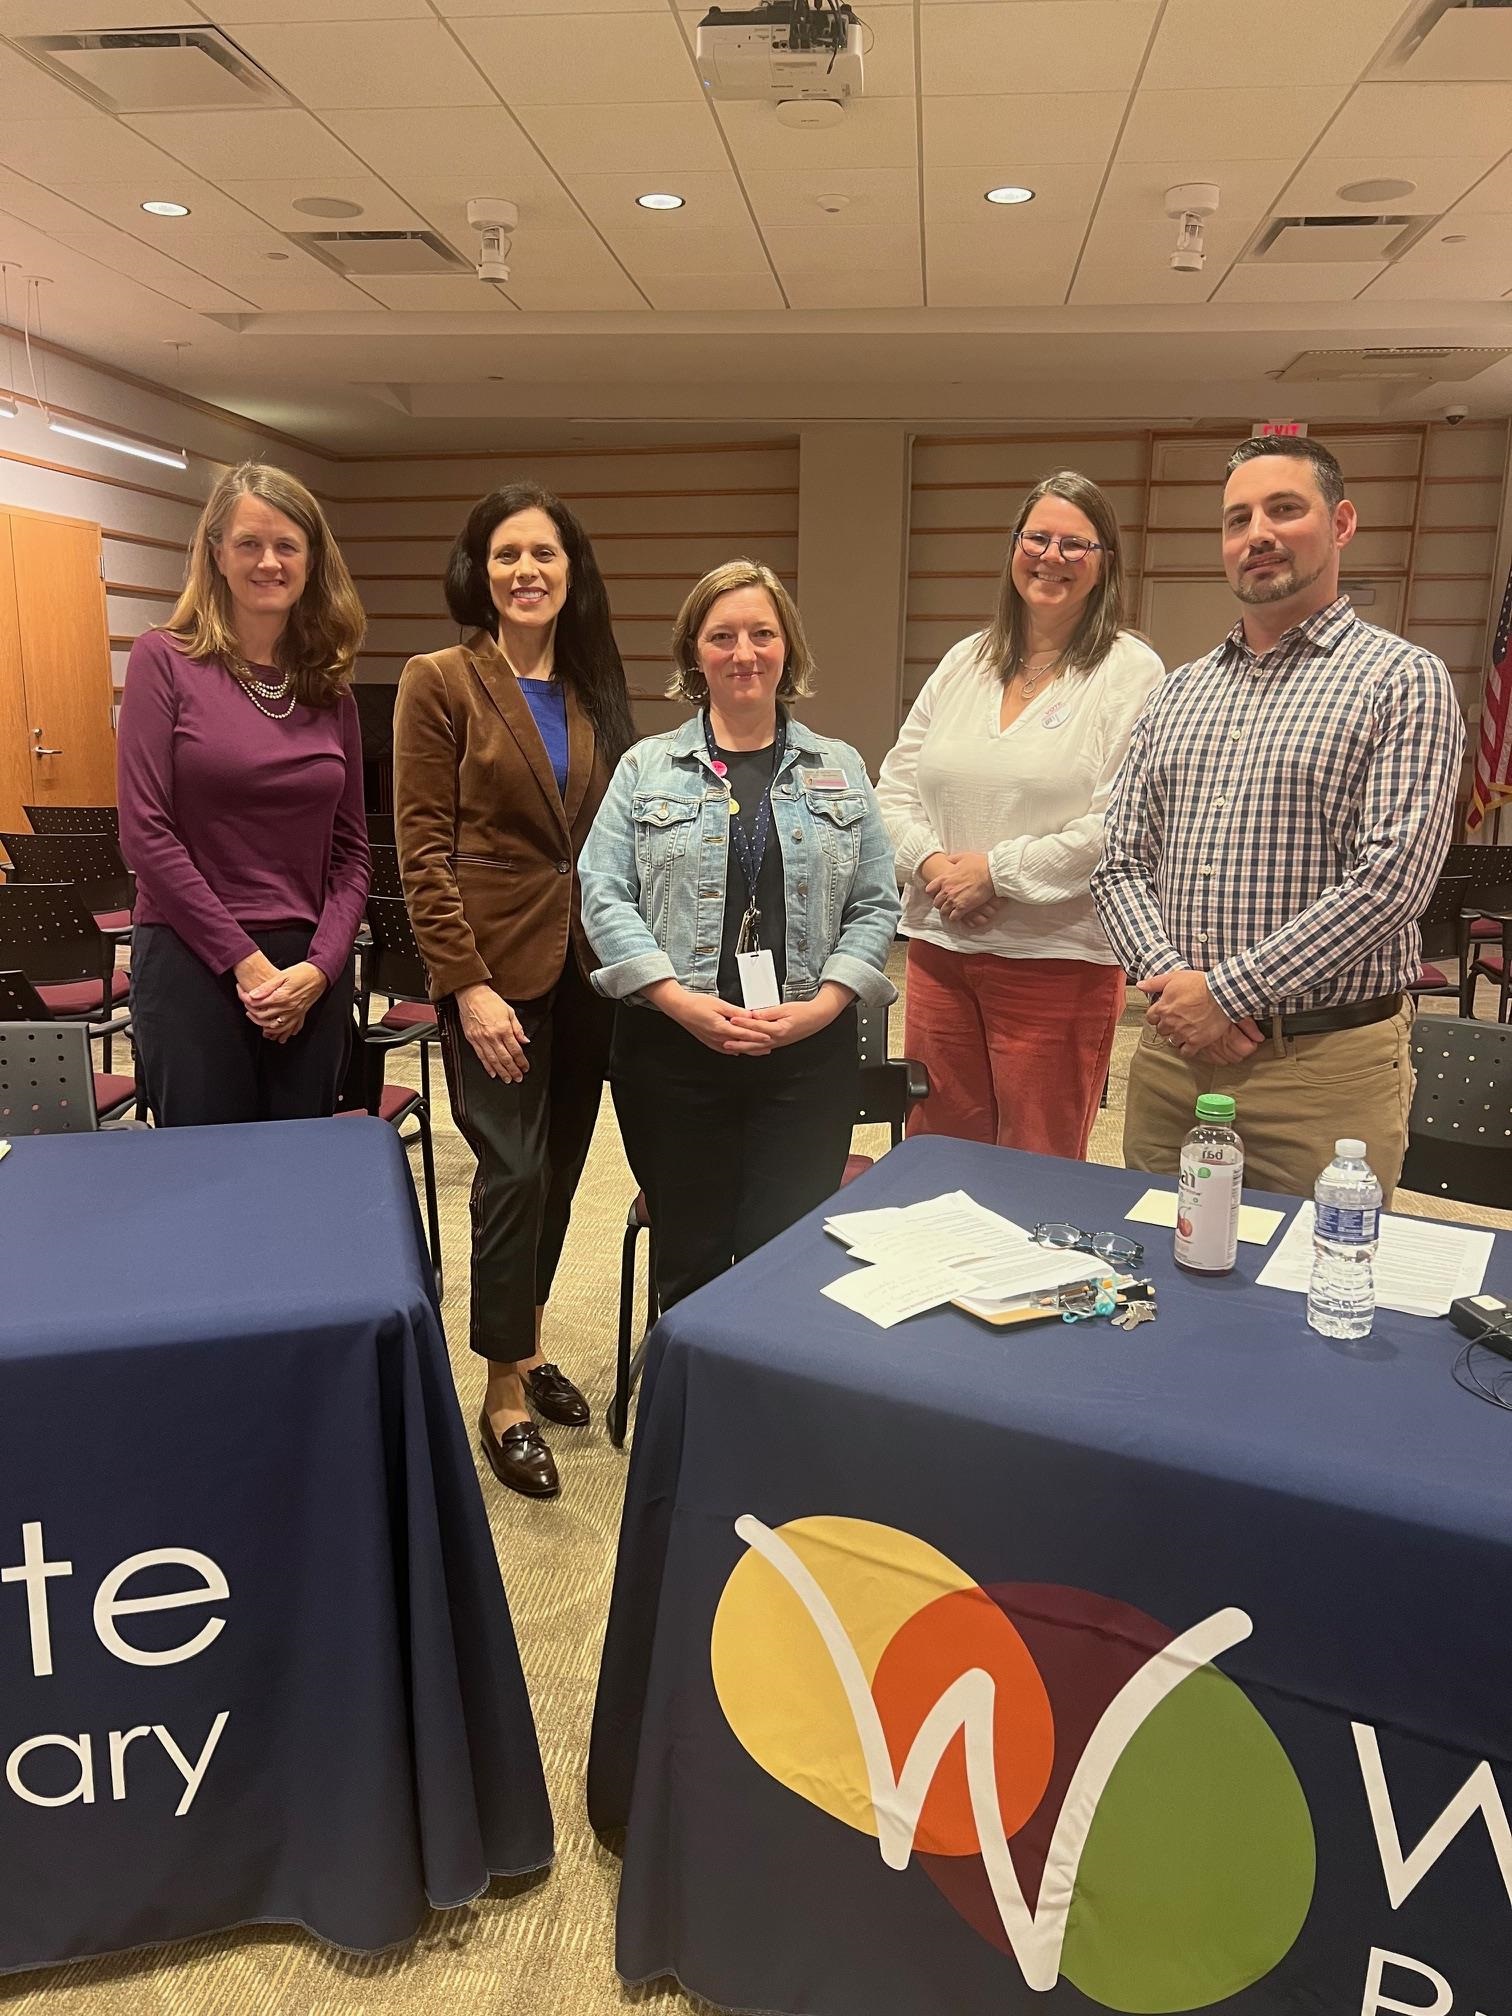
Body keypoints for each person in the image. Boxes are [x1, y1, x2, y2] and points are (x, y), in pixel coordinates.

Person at [1091, 434, 1464, 1201]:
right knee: (1157, 1278)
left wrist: (1225, 994)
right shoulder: (1179, 692)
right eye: (1237, 520)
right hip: (1175, 1064)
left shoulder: (1403, 681)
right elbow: (1119, 860)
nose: (1256, 534)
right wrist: (1175, 988)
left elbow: (1390, 883)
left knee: (1309, 1295)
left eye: (1284, 509)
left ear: (1342, 523)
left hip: (1324, 1071)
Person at [394, 481, 635, 1500]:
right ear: (479, 572)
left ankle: (530, 1347)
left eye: (545, 555)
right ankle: (498, 1392)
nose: (526, 571)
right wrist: (468, 987)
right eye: (506, 555)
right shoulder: (439, 678)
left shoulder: (593, 690)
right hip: (492, 974)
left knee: (567, 1171)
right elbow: (422, 847)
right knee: (513, 1173)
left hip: (587, 969)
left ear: (571, 574)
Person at [579, 558, 900, 1313]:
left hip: (804, 1059)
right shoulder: (644, 768)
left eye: (762, 632)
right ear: (695, 651)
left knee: (782, 1259)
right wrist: (677, 999)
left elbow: (877, 903)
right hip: (671, 1053)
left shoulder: (841, 767)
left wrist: (823, 1007)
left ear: (788, 646)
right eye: (722, 635)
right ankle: (690, 1418)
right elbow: (603, 894)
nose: (744, 652)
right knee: (688, 1257)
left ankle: (760, 1421)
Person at [875, 471, 1163, 1159]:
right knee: (940, 1152)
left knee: (1037, 1158)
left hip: (1055, 959)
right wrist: (935, 866)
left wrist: (995, 874)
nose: (1051, 556)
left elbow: (1117, 822)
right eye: (1037, 537)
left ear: (1105, 562)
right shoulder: (965, 661)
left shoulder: (1130, 671)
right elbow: (891, 788)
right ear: (1013, 549)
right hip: (942, 952)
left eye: (1075, 543)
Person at [118, 462, 368, 1127]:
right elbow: (145, 835)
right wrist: (247, 965)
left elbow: (353, 856)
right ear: (216, 554)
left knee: (298, 1177)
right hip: (192, 960)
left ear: (312, 562)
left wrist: (322, 966)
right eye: (249, 544)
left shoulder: (329, 688)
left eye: (287, 546)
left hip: (310, 976)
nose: (269, 561)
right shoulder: (162, 660)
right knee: (206, 1188)